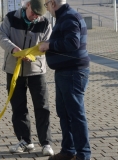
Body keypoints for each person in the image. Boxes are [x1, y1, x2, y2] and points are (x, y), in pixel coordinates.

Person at [0, 0, 54, 156]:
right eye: (33, 13)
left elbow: (48, 43)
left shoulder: (45, 23)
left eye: (38, 15)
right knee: (18, 108)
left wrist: (34, 54)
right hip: (13, 70)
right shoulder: (10, 18)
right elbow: (2, 36)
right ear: (27, 5)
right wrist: (14, 49)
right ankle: (25, 141)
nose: (35, 17)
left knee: (42, 107)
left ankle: (46, 143)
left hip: (37, 71)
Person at [39, 0, 91, 160]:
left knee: (75, 114)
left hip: (73, 72)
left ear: (53, 3)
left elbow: (72, 42)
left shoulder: (68, 17)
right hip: (65, 72)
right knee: (65, 113)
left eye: (46, 5)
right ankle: (68, 150)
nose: (46, 9)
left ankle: (83, 155)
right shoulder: (65, 17)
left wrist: (49, 45)